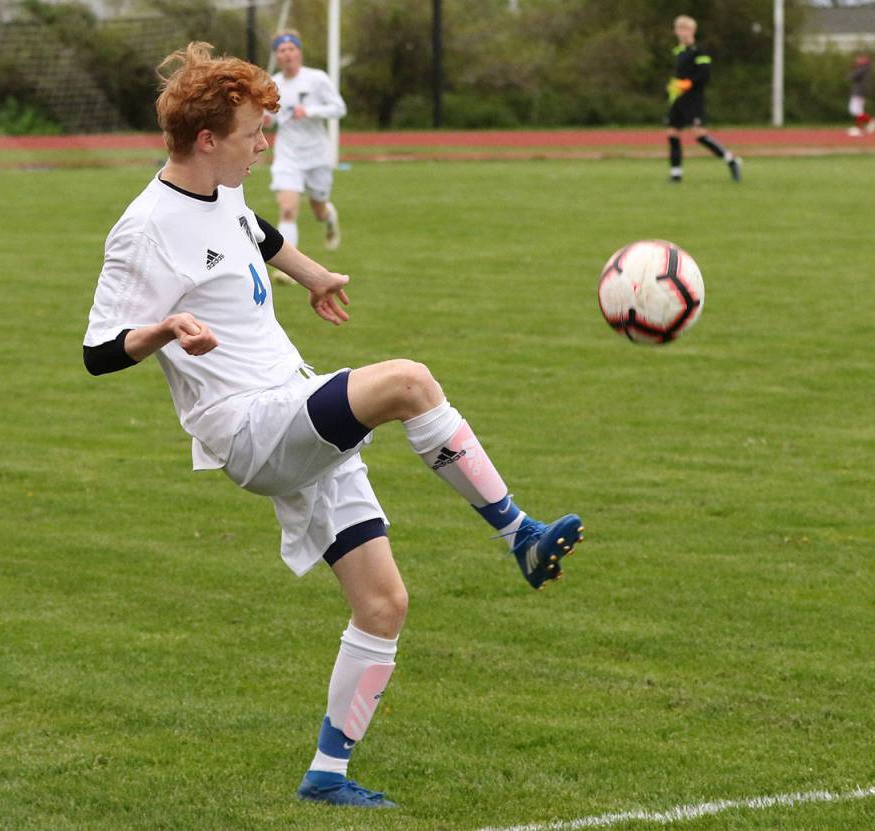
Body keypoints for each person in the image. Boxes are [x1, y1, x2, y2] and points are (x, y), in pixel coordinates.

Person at [82, 42, 583, 810]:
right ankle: (519, 532)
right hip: (250, 426)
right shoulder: (143, 227)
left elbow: (257, 234)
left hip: (291, 402)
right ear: (208, 138)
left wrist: (313, 277)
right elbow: (96, 351)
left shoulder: (221, 192)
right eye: (254, 131)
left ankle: (327, 774)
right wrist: (164, 329)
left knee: (383, 602)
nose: (266, 143)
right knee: (408, 381)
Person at [265, 29, 345, 284]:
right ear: (277, 56)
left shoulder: (316, 79)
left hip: (317, 156)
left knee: (318, 210)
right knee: (288, 209)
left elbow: (339, 108)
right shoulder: (272, 83)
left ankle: (330, 220)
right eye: (281, 50)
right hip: (287, 156)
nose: (287, 54)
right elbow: (271, 119)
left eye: (291, 49)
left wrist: (309, 111)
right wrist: (266, 119)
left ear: (299, 52)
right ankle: (288, 269)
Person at [664, 15, 741, 183]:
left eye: (685, 29)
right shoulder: (678, 52)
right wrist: (674, 87)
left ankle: (731, 160)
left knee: (699, 135)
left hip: (694, 99)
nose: (681, 32)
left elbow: (704, 74)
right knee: (672, 133)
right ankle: (676, 174)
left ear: (692, 31)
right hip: (678, 99)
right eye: (679, 29)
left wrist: (688, 84)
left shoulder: (699, 51)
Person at [847, 54, 875, 137]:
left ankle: (871, 120)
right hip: (860, 91)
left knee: (855, 109)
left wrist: (854, 67)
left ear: (864, 61)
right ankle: (859, 128)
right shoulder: (864, 68)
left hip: (859, 91)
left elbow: (853, 76)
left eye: (860, 59)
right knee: (857, 110)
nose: (857, 60)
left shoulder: (863, 68)